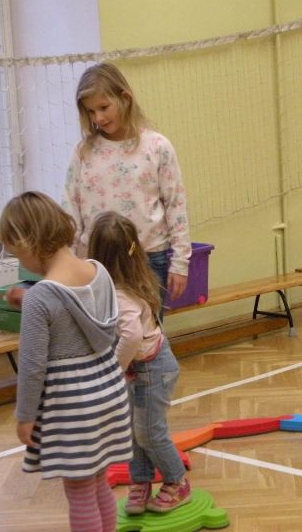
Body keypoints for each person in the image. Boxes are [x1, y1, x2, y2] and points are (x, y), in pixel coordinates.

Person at [0, 191, 132, 532]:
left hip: (73, 406)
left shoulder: (40, 297)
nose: (21, 262)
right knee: (98, 482)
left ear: (28, 243)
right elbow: (99, 326)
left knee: (80, 492)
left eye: (17, 254)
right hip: (110, 392)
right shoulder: (99, 272)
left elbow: (32, 366)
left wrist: (25, 416)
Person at [64, 62, 191, 317]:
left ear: (125, 98)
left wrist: (180, 263)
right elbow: (71, 209)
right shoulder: (83, 151)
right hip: (96, 263)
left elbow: (176, 206)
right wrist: (69, 262)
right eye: (90, 111)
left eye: (104, 107)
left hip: (147, 258)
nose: (98, 118)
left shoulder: (157, 146)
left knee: (147, 334)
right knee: (103, 334)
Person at [88, 211, 191, 515]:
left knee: (148, 432)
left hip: (153, 370)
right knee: (134, 430)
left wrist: (113, 371)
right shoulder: (129, 280)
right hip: (141, 369)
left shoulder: (120, 293)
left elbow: (132, 336)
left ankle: (177, 481)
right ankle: (141, 481)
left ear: (98, 255)